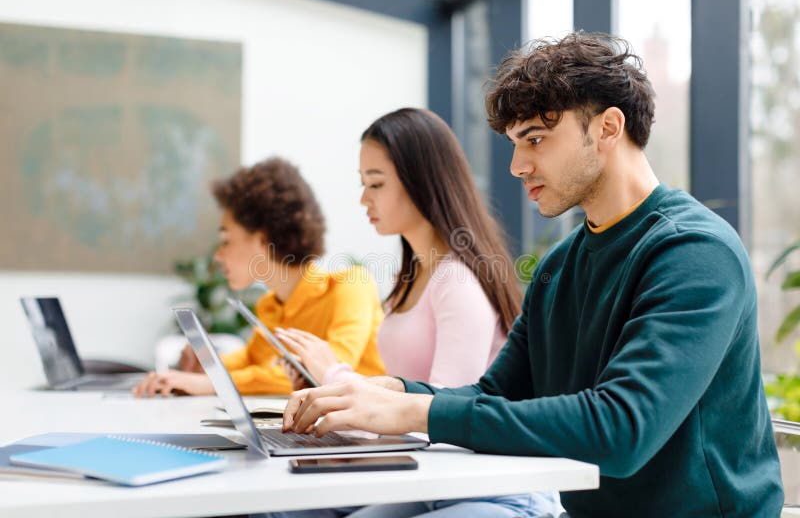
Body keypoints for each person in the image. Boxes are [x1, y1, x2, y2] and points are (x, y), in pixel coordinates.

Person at [278, 32, 784, 517]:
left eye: (536, 139)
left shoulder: (694, 252)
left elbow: (622, 430)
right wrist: (390, 392)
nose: (518, 166)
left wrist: (418, 415)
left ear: (609, 128)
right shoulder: (561, 265)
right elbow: (494, 395)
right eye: (516, 143)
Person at [269, 108, 559, 517]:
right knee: (286, 510)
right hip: (431, 478)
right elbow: (409, 400)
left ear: (421, 182)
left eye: (376, 183)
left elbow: (441, 417)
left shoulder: (457, 283)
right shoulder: (412, 277)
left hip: (489, 488)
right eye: (363, 183)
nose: (363, 199)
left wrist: (336, 377)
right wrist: (326, 392)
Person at [132, 157, 385, 397]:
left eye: (226, 241)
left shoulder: (351, 287)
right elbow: (251, 360)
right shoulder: (270, 307)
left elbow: (325, 373)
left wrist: (213, 382)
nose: (218, 255)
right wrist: (207, 364)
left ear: (263, 239)